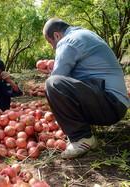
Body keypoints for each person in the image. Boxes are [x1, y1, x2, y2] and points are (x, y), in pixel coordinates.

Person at [39, 18, 129, 159]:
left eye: (50, 43)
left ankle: (82, 138)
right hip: (116, 103)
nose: (53, 47)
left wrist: (52, 72)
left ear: (56, 35)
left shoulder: (67, 41)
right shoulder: (84, 34)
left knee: (53, 84)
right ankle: (85, 132)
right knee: (56, 82)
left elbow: (58, 78)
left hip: (110, 104)